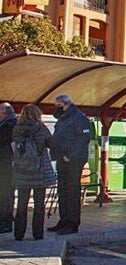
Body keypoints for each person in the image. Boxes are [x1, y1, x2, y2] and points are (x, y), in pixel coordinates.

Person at [12, 104, 56, 241]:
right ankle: (38, 234)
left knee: (21, 204)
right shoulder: (41, 129)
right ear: (38, 114)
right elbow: (51, 144)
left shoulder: (17, 129)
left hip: (22, 171)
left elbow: (13, 147)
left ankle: (19, 234)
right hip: (39, 171)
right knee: (39, 205)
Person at [48, 95, 91, 235]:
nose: (57, 108)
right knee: (63, 191)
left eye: (58, 105)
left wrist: (70, 156)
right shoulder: (63, 119)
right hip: (61, 159)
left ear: (66, 104)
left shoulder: (79, 118)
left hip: (73, 160)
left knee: (72, 192)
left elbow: (83, 139)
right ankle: (63, 220)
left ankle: (72, 223)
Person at [0, 102, 17, 234]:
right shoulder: (9, 123)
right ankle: (5, 219)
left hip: (6, 163)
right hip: (7, 163)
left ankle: (6, 221)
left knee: (5, 193)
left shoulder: (9, 125)